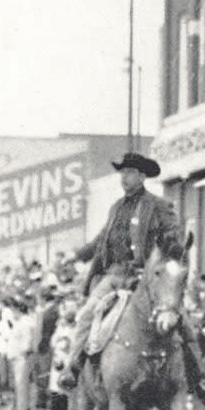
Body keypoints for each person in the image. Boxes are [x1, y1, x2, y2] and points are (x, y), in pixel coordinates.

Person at [60, 152, 181, 389]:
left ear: (142, 176)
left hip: (146, 279)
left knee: (179, 319)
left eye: (130, 173)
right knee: (86, 314)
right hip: (114, 276)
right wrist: (76, 256)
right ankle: (72, 367)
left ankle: (198, 375)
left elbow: (173, 237)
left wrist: (168, 248)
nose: (124, 178)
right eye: (122, 172)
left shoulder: (158, 206)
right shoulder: (116, 207)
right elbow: (101, 240)